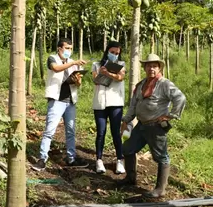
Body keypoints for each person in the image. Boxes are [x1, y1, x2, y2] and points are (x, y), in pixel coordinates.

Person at [118, 53, 186, 198]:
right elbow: (134, 104)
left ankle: (160, 189)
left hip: (155, 126)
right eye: (149, 66)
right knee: (128, 149)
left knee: (161, 156)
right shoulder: (141, 84)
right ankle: (130, 179)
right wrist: (127, 119)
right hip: (141, 125)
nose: (152, 69)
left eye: (155, 66)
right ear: (145, 67)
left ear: (159, 68)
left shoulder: (164, 84)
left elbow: (180, 98)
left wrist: (170, 115)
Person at [32, 38, 89, 171]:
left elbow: (78, 83)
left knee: (70, 130)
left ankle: (71, 158)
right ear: (59, 48)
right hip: (57, 100)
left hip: (70, 101)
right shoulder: (52, 58)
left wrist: (77, 80)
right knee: (49, 131)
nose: (69, 51)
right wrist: (73, 63)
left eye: (70, 48)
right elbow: (56, 69)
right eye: (66, 48)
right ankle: (42, 159)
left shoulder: (73, 64)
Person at [91, 41, 126, 174]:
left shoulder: (121, 65)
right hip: (100, 103)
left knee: (116, 132)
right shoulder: (96, 65)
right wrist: (101, 72)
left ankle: (119, 160)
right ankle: (99, 160)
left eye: (117, 53)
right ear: (107, 51)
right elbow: (95, 81)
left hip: (116, 102)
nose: (114, 55)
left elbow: (120, 77)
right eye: (112, 52)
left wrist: (109, 74)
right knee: (101, 132)